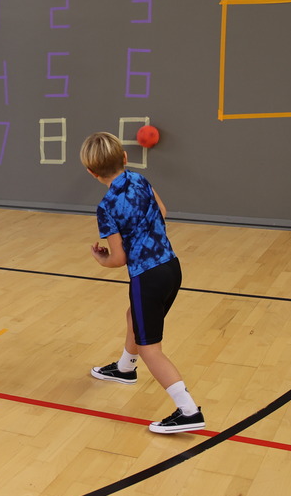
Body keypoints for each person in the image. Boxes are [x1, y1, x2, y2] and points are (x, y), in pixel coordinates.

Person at [80, 131, 205, 435]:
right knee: (132, 317)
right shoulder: (140, 180)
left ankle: (189, 411)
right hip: (171, 268)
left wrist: (101, 258)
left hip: (147, 277)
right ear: (124, 158)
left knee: (151, 349)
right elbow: (162, 211)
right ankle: (125, 369)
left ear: (92, 172)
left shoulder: (107, 207)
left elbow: (119, 258)